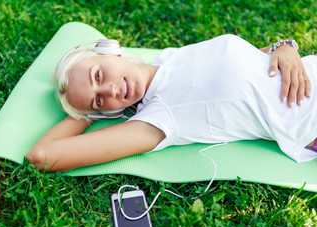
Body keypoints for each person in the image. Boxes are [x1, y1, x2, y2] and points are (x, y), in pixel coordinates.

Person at [25, 34, 317, 172]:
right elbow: (40, 156)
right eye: (99, 99)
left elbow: (249, 64)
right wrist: (86, 115)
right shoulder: (158, 119)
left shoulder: (169, 58)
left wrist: (284, 47)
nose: (111, 89)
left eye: (99, 74)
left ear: (110, 50)